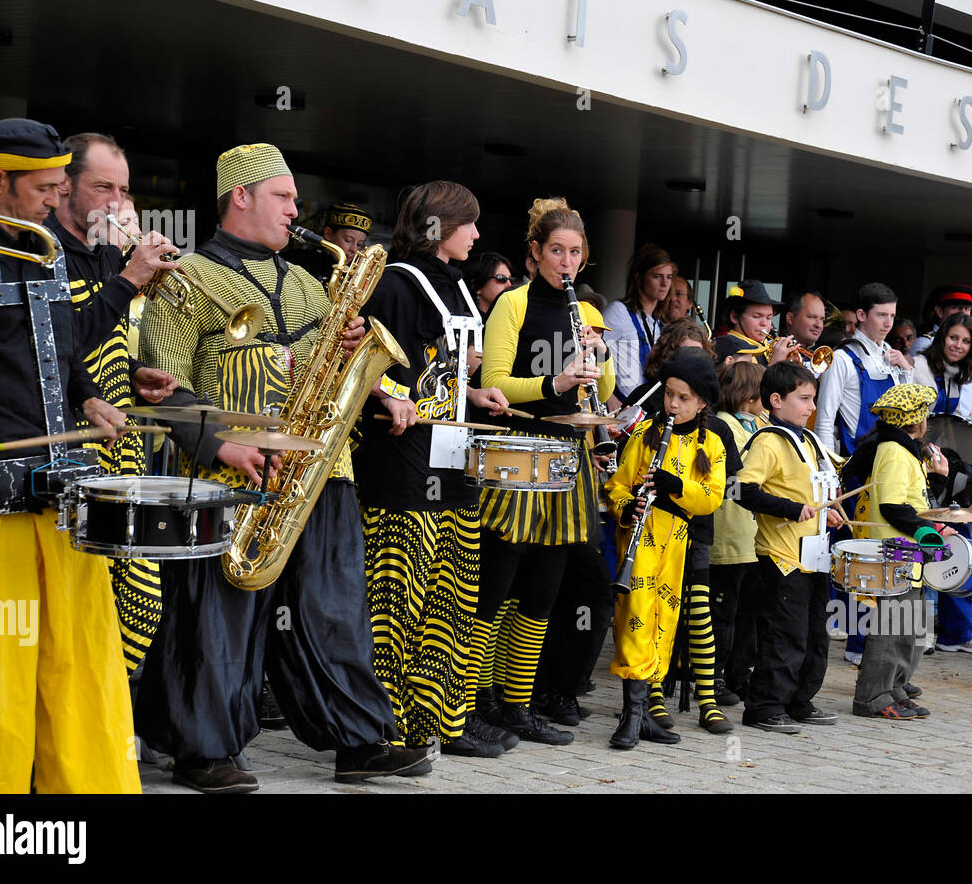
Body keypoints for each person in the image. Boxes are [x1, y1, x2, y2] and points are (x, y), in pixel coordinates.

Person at [136, 142, 431, 792]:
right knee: (220, 615)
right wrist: (225, 446)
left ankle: (358, 741)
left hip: (322, 471)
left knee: (334, 608)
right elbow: (160, 387)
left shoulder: (309, 282)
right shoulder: (184, 279)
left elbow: (333, 368)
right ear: (240, 196)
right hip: (227, 476)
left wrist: (377, 386)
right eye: (285, 197)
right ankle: (200, 748)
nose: (298, 210)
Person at [0, 117, 138, 793]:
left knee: (82, 668)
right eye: (47, 187)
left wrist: (87, 397)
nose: (58, 200)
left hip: (61, 489)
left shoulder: (44, 247)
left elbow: (58, 347)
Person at [358, 181, 515, 759]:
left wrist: (473, 396)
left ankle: (440, 720)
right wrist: (384, 395)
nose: (476, 235)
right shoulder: (395, 283)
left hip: (451, 462)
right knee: (396, 602)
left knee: (450, 596)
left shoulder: (454, 285)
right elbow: (355, 359)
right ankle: (384, 724)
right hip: (399, 470)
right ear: (437, 226)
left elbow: (439, 374)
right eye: (468, 224)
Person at [473, 196, 615, 745]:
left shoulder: (587, 313)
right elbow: (498, 383)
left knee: (543, 590)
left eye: (575, 253)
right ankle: (474, 700)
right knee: (498, 583)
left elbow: (600, 397)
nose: (566, 262)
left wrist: (598, 358)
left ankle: (515, 704)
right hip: (518, 451)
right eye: (556, 250)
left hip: (567, 457)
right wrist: (553, 384)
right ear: (535, 252)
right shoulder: (513, 302)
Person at [47, 132, 180, 674]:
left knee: (140, 603)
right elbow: (57, 348)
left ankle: (106, 727)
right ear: (64, 187)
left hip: (121, 449)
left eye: (123, 189)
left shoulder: (104, 252)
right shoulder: (46, 251)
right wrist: (130, 278)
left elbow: (94, 344)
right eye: (102, 186)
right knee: (84, 607)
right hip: (73, 459)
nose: (116, 202)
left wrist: (133, 373)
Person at [606, 353, 727, 750]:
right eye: (669, 395)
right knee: (636, 617)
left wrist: (674, 483)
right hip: (640, 541)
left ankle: (642, 715)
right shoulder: (646, 435)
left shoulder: (711, 443)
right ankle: (632, 716)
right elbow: (617, 487)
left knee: (665, 620)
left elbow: (712, 498)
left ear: (702, 403)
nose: (672, 405)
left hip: (677, 542)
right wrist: (630, 505)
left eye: (683, 398)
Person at [734, 361, 844, 731]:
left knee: (816, 634)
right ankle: (764, 706)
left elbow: (813, 491)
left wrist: (826, 514)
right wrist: (792, 509)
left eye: (813, 399)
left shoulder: (809, 439)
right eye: (804, 399)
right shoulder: (767, 441)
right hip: (781, 557)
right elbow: (741, 490)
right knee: (785, 635)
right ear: (776, 400)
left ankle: (800, 699)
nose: (812, 407)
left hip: (815, 556)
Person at [845, 384, 954, 719]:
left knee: (910, 626)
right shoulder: (893, 450)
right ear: (916, 421)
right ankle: (872, 697)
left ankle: (895, 687)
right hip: (896, 550)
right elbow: (892, 505)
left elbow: (913, 500)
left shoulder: (905, 451)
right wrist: (925, 530)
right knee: (892, 627)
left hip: (909, 552)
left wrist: (933, 525)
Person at [912, 312, 972, 654]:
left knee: (961, 541)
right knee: (928, 543)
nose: (958, 346)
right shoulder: (919, 366)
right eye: (953, 338)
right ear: (942, 337)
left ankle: (956, 633)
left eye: (965, 341)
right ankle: (921, 631)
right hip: (923, 463)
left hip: (960, 468)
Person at [710, 360, 765, 705]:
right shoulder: (727, 426)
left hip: (750, 535)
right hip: (730, 533)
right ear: (749, 396)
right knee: (722, 612)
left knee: (745, 613)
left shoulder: (756, 423)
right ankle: (714, 675)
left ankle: (737, 674)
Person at [814, 281, 911, 455]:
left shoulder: (891, 353)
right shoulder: (841, 358)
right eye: (881, 315)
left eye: (892, 316)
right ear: (861, 315)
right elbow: (824, 422)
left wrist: (906, 371)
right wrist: (828, 474)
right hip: (856, 465)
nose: (889, 323)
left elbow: (908, 414)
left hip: (891, 461)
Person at [602, 243, 674, 403]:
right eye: (657, 276)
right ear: (639, 278)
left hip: (645, 410)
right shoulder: (618, 311)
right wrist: (608, 398)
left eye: (669, 277)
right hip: (620, 408)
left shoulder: (659, 323)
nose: (665, 283)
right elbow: (591, 353)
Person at [723, 279, 792, 366]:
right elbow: (746, 380)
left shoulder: (767, 346)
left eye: (769, 317)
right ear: (734, 317)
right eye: (756, 316)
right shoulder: (728, 347)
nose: (764, 323)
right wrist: (775, 363)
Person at [909, 283, 972, 357]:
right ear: (940, 311)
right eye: (955, 307)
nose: (963, 313)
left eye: (967, 309)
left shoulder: (968, 343)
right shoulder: (925, 343)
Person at [465, 250, 514, 319]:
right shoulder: (465, 322)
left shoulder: (509, 320)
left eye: (511, 280)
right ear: (476, 285)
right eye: (501, 278)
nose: (509, 285)